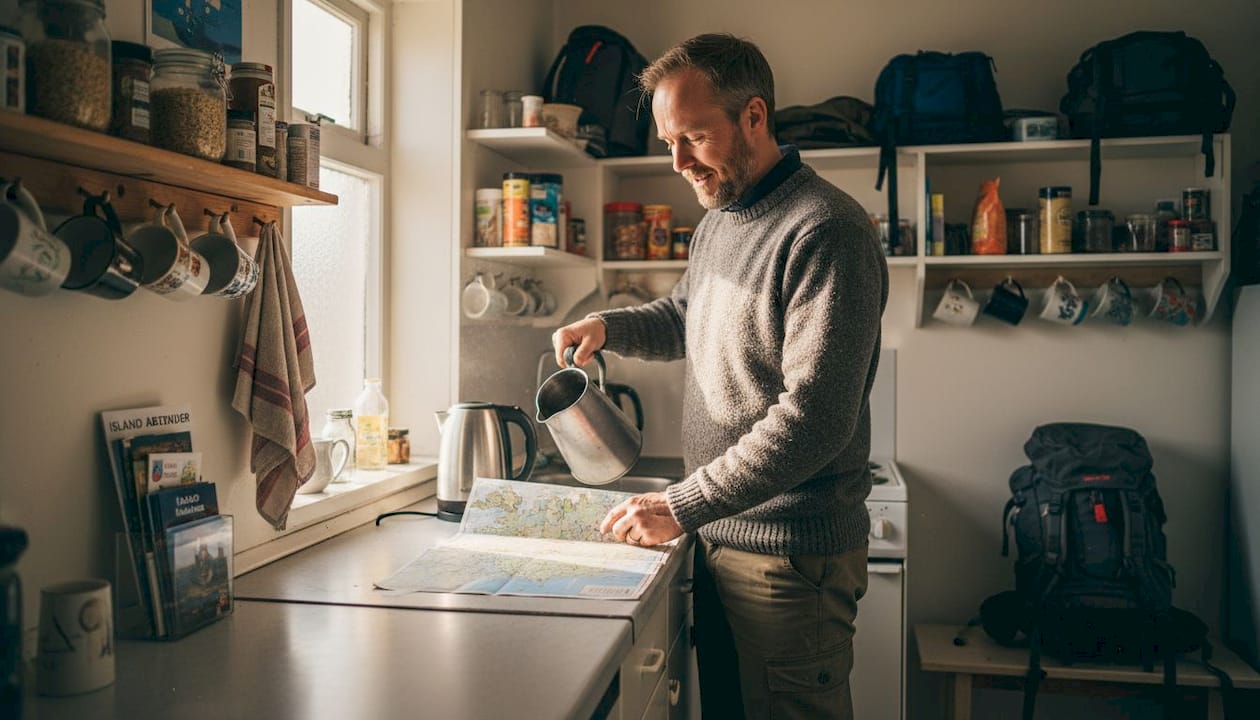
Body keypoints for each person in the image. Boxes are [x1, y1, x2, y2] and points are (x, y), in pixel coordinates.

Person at [551, 33, 888, 720]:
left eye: (695, 138)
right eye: (668, 142)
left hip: (788, 560)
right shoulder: (720, 221)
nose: (678, 163)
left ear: (754, 117)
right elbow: (686, 315)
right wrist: (609, 327)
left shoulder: (826, 230)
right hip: (721, 535)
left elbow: (815, 419)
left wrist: (680, 504)